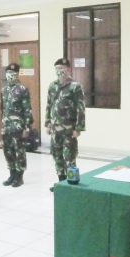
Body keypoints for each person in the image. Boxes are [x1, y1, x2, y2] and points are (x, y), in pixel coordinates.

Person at [45, 58, 86, 188]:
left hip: (69, 129)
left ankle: (72, 185)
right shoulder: (52, 86)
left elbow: (80, 108)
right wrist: (47, 123)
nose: (59, 71)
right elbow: (49, 105)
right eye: (57, 68)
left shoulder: (75, 86)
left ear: (68, 69)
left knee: (70, 157)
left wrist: (78, 128)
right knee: (57, 156)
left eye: (61, 68)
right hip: (55, 129)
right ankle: (61, 183)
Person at [0, 62, 33, 188]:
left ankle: (19, 176)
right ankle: (12, 174)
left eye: (13, 73)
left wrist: (27, 127)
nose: (10, 75)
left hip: (18, 127)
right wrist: (2, 126)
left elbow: (27, 110)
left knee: (19, 151)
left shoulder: (22, 89)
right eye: (8, 73)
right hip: (6, 126)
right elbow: (3, 109)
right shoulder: (4, 90)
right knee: (8, 151)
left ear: (17, 74)